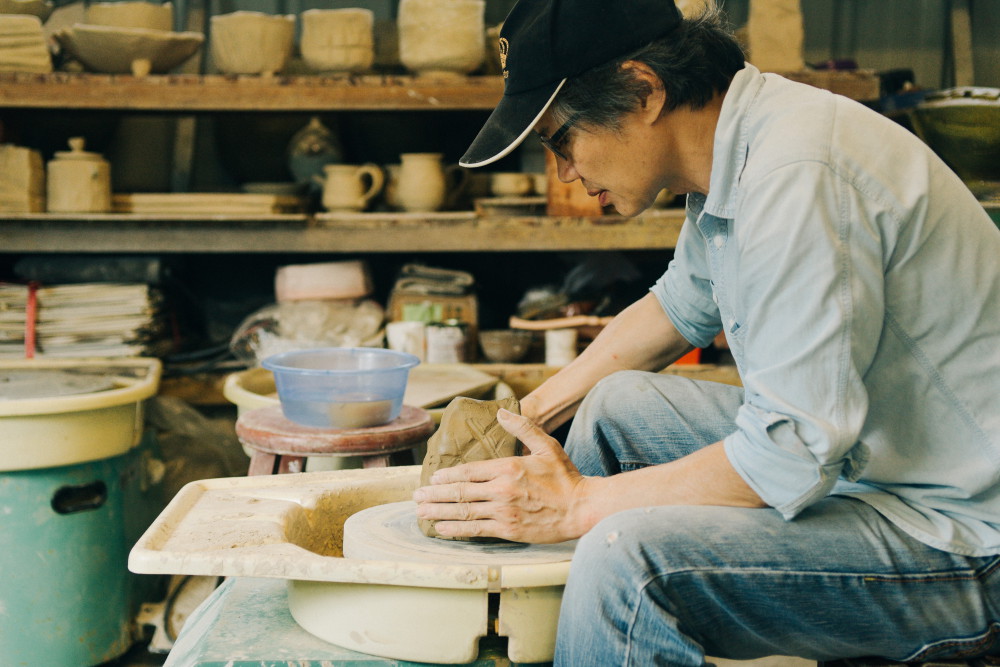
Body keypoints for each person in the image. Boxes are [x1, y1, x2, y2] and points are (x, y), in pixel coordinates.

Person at [413, 0, 1000, 664]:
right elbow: (678, 308)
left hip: (964, 537)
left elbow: (789, 452)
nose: (564, 172)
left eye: (559, 140)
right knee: (616, 405)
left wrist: (576, 505)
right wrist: (526, 417)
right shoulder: (744, 142)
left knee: (624, 563)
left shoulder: (796, 176)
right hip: (883, 463)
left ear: (643, 90)